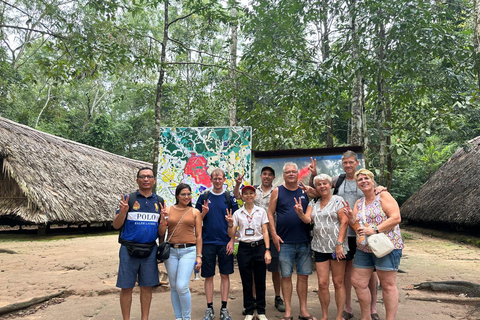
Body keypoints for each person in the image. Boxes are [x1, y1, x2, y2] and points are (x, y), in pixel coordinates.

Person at [307, 151, 381, 320]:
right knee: (345, 273)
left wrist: (381, 188)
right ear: (342, 164)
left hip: (364, 233)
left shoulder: (364, 179)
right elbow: (320, 189)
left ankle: (373, 308)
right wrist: (313, 175)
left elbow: (377, 193)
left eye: (350, 162)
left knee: (370, 271)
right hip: (344, 234)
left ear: (357, 163)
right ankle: (347, 307)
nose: (348, 165)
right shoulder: (338, 180)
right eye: (345, 162)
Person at [344, 169, 404, 320]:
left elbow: (396, 217)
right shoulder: (359, 202)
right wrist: (351, 218)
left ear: (372, 181)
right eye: (360, 180)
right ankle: (366, 317)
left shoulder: (383, 195)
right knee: (357, 281)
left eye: (366, 178)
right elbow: (357, 227)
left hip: (387, 246)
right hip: (365, 248)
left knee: (388, 284)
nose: (363, 181)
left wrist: (375, 230)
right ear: (357, 184)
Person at [295, 174, 349, 320]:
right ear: (316, 187)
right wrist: (300, 213)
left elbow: (344, 222)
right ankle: (325, 316)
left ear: (330, 185)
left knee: (338, 282)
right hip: (320, 247)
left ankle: (338, 316)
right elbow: (307, 219)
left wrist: (339, 244)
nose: (322, 186)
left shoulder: (338, 201)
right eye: (319, 184)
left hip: (336, 248)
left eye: (325, 183)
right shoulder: (314, 202)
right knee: (322, 283)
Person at [233, 166, 286, 313]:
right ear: (261, 176)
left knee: (275, 268)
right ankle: (253, 300)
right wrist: (238, 184)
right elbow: (237, 195)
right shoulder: (253, 190)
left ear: (273, 177)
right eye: (264, 174)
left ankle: (277, 296)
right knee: (253, 271)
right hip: (254, 236)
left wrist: (274, 234)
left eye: (270, 174)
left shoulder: (277, 191)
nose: (267, 177)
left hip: (272, 233)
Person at [113, 167, 162, 320]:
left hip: (150, 250)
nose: (146, 179)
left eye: (149, 177)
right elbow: (116, 225)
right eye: (142, 177)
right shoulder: (128, 199)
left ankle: (144, 318)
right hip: (128, 249)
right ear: (137, 180)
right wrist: (123, 212)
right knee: (126, 287)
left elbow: (161, 231)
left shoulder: (159, 202)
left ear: (153, 180)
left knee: (146, 287)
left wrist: (165, 223)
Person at [267, 162, 315, 320]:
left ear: (297, 173)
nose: (291, 174)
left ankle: (303, 310)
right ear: (284, 174)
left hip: (304, 241)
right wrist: (273, 234)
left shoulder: (304, 191)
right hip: (284, 242)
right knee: (286, 276)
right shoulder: (277, 191)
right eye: (288, 172)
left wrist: (313, 174)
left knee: (303, 276)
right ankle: (288, 311)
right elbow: (270, 213)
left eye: (294, 171)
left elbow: (321, 193)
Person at [195, 168, 239, 320]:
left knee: (225, 275)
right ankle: (209, 308)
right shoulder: (204, 197)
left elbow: (235, 223)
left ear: (224, 179)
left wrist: (232, 241)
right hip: (207, 243)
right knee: (208, 276)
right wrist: (203, 213)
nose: (218, 181)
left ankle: (224, 308)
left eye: (220, 178)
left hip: (225, 243)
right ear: (211, 179)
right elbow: (196, 221)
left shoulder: (230, 198)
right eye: (215, 178)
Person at [227, 185, 272, 320]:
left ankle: (261, 311)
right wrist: (230, 224)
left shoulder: (261, 211)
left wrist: (267, 250)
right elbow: (232, 234)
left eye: (251, 193)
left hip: (259, 246)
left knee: (260, 280)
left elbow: (265, 231)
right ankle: (249, 311)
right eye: (245, 193)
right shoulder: (237, 214)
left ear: (255, 195)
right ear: (242, 196)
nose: (248, 195)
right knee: (246, 280)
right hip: (244, 248)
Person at [159, 183, 203, 320]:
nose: (186, 197)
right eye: (183, 194)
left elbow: (199, 236)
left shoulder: (195, 212)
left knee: (182, 286)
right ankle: (178, 317)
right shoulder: (168, 210)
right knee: (173, 287)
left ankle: (186, 317)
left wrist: (199, 256)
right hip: (171, 252)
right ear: (177, 195)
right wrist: (162, 219)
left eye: (189, 194)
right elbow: (161, 233)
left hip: (189, 251)